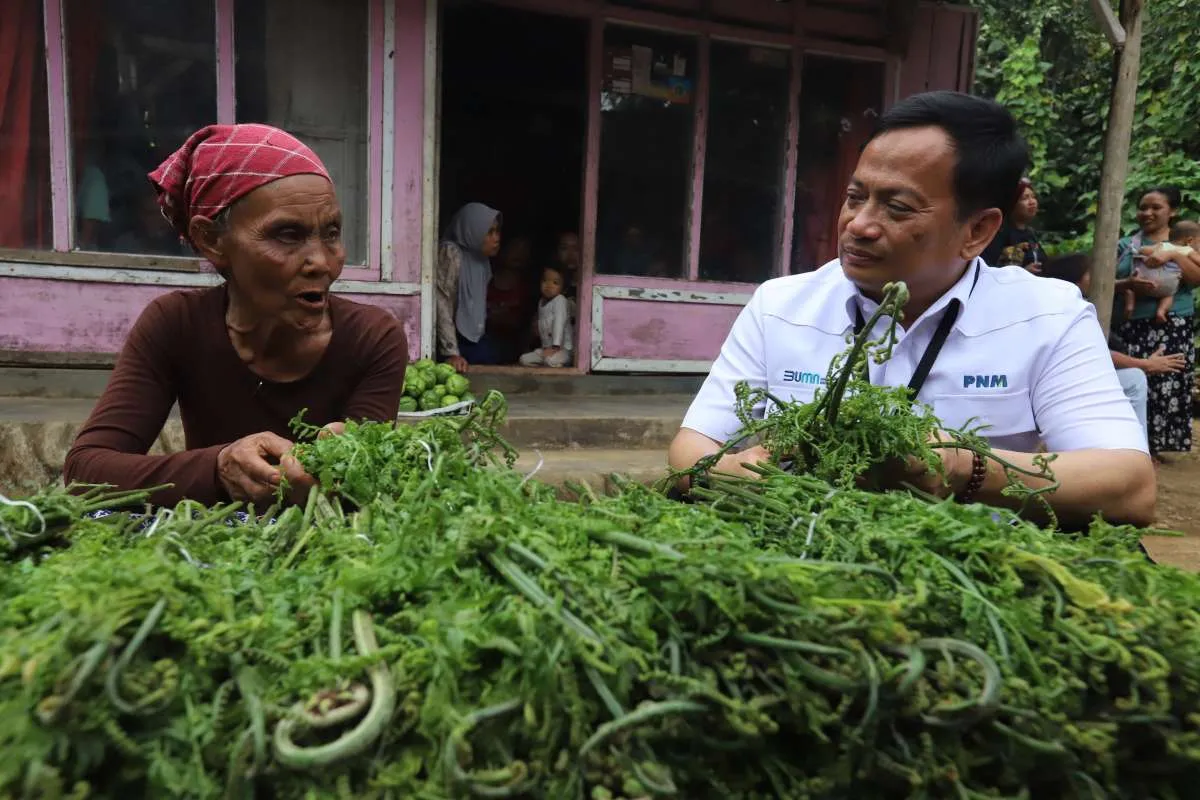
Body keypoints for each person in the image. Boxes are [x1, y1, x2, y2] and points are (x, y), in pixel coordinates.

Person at [668, 91, 1154, 528]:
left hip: (969, 571)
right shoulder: (780, 305)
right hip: (802, 562)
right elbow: (692, 448)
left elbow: (1129, 484)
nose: (858, 225)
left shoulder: (1047, 315)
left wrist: (966, 467)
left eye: (896, 207)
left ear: (977, 231)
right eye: (855, 197)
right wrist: (733, 474)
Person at [63, 124, 409, 508]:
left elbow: (367, 488)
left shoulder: (372, 339)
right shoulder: (176, 325)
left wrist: (356, 458)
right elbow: (85, 472)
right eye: (288, 235)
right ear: (211, 240)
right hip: (206, 549)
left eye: (331, 233)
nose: (322, 262)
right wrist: (218, 468)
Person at [1038, 252, 1187, 445]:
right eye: (1092, 273)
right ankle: (1132, 450)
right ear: (1075, 280)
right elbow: (1099, 353)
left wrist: (1126, 286)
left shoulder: (1061, 300)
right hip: (1057, 382)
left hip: (1063, 377)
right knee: (1134, 378)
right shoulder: (1066, 308)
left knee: (1132, 377)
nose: (1101, 277)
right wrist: (1145, 364)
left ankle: (1130, 448)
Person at [1114, 187, 1200, 459]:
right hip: (1131, 323)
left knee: (1166, 382)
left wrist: (1174, 255)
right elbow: (1103, 281)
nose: (1147, 213)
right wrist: (1127, 285)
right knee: (1135, 381)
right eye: (1143, 207)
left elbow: (1196, 279)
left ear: (1172, 211)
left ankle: (1155, 444)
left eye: (1156, 207)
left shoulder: (1185, 246)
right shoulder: (1125, 245)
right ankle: (1132, 442)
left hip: (1172, 322)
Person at [435, 202, 502, 373]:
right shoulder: (451, 253)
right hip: (453, 341)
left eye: (497, 231)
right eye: (490, 232)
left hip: (474, 337)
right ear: (472, 231)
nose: (496, 238)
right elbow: (442, 302)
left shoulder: (481, 259)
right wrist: (451, 352)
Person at [1124, 220, 1199, 323]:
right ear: (1189, 241)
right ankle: (1161, 311)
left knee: (1131, 289)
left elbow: (1144, 250)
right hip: (1167, 285)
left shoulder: (1162, 245)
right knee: (1169, 295)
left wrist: (1144, 252)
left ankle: (1130, 304)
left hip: (1146, 279)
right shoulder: (1188, 250)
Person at [980, 176, 1046, 271]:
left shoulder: (1030, 234)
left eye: (1033, 197)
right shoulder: (998, 233)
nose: (1032, 202)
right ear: (1012, 204)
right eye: (1025, 198)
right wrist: (1023, 272)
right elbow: (988, 268)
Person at [519, 266, 574, 368]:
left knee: (550, 361)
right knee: (524, 359)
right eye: (545, 280)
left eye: (555, 283)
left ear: (564, 289)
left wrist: (555, 346)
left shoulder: (560, 300)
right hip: (546, 349)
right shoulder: (541, 302)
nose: (548, 285)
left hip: (562, 349)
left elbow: (559, 323)